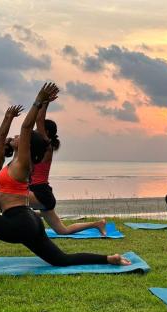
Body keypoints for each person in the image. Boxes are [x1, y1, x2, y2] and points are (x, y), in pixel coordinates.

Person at [0, 83, 130, 274]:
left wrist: (38, 101)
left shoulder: (23, 163)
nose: (15, 136)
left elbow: (26, 126)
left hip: (19, 223)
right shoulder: (17, 162)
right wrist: (7, 118)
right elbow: (2, 137)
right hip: (29, 221)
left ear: (26, 145)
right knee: (61, 260)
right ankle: (109, 258)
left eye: (21, 137)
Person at [28, 89, 107, 236]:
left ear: (47, 133)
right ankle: (97, 223)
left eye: (40, 129)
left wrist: (44, 103)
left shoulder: (47, 145)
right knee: (62, 230)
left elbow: (38, 121)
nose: (36, 130)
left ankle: (31, 217)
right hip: (41, 192)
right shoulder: (39, 147)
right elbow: (37, 123)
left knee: (9, 198)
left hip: (40, 192)